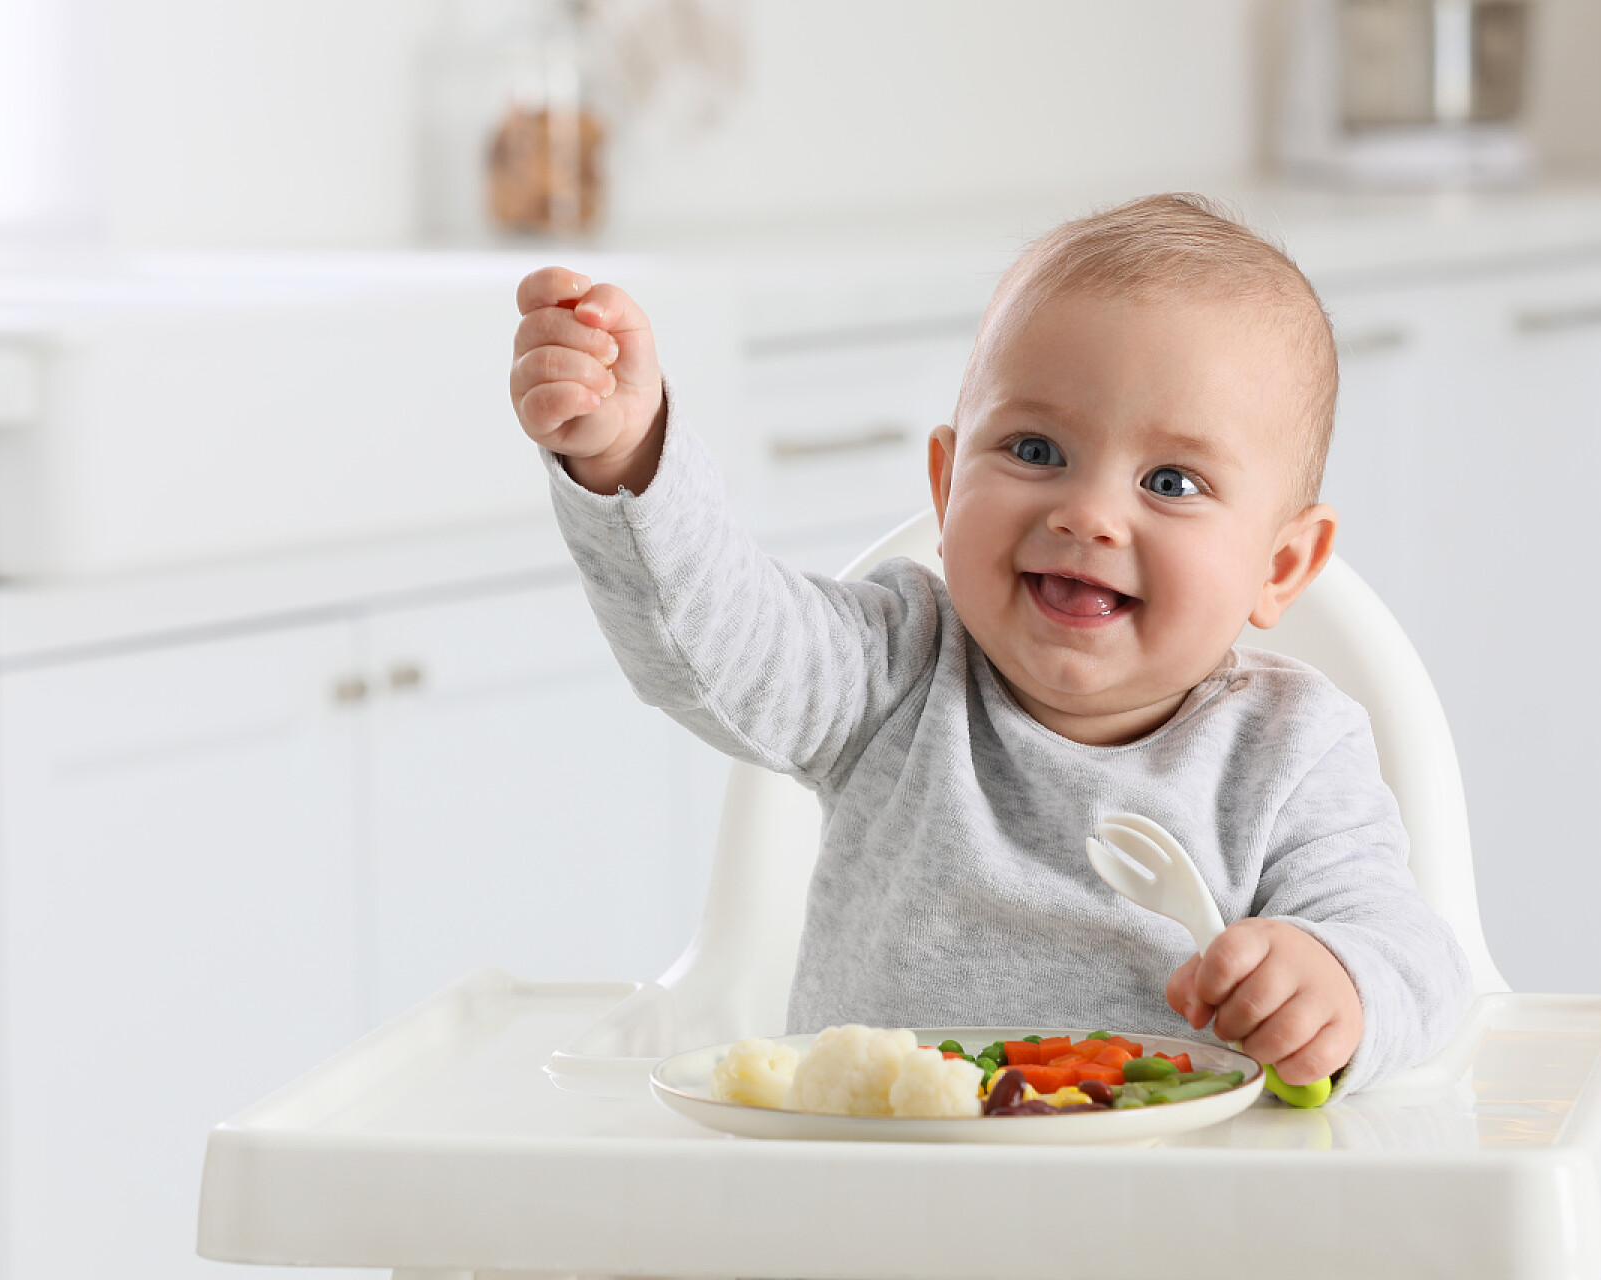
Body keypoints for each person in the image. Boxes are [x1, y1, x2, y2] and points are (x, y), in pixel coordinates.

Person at [506, 193, 1468, 1093]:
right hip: (883, 1210)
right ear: (946, 482)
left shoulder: (1290, 751)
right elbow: (717, 640)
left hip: (1168, 1218)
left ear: (1283, 566)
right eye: (1036, 451)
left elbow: (1416, 956)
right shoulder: (893, 670)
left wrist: (1335, 981)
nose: (1088, 514)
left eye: (1172, 482)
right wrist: (628, 460)